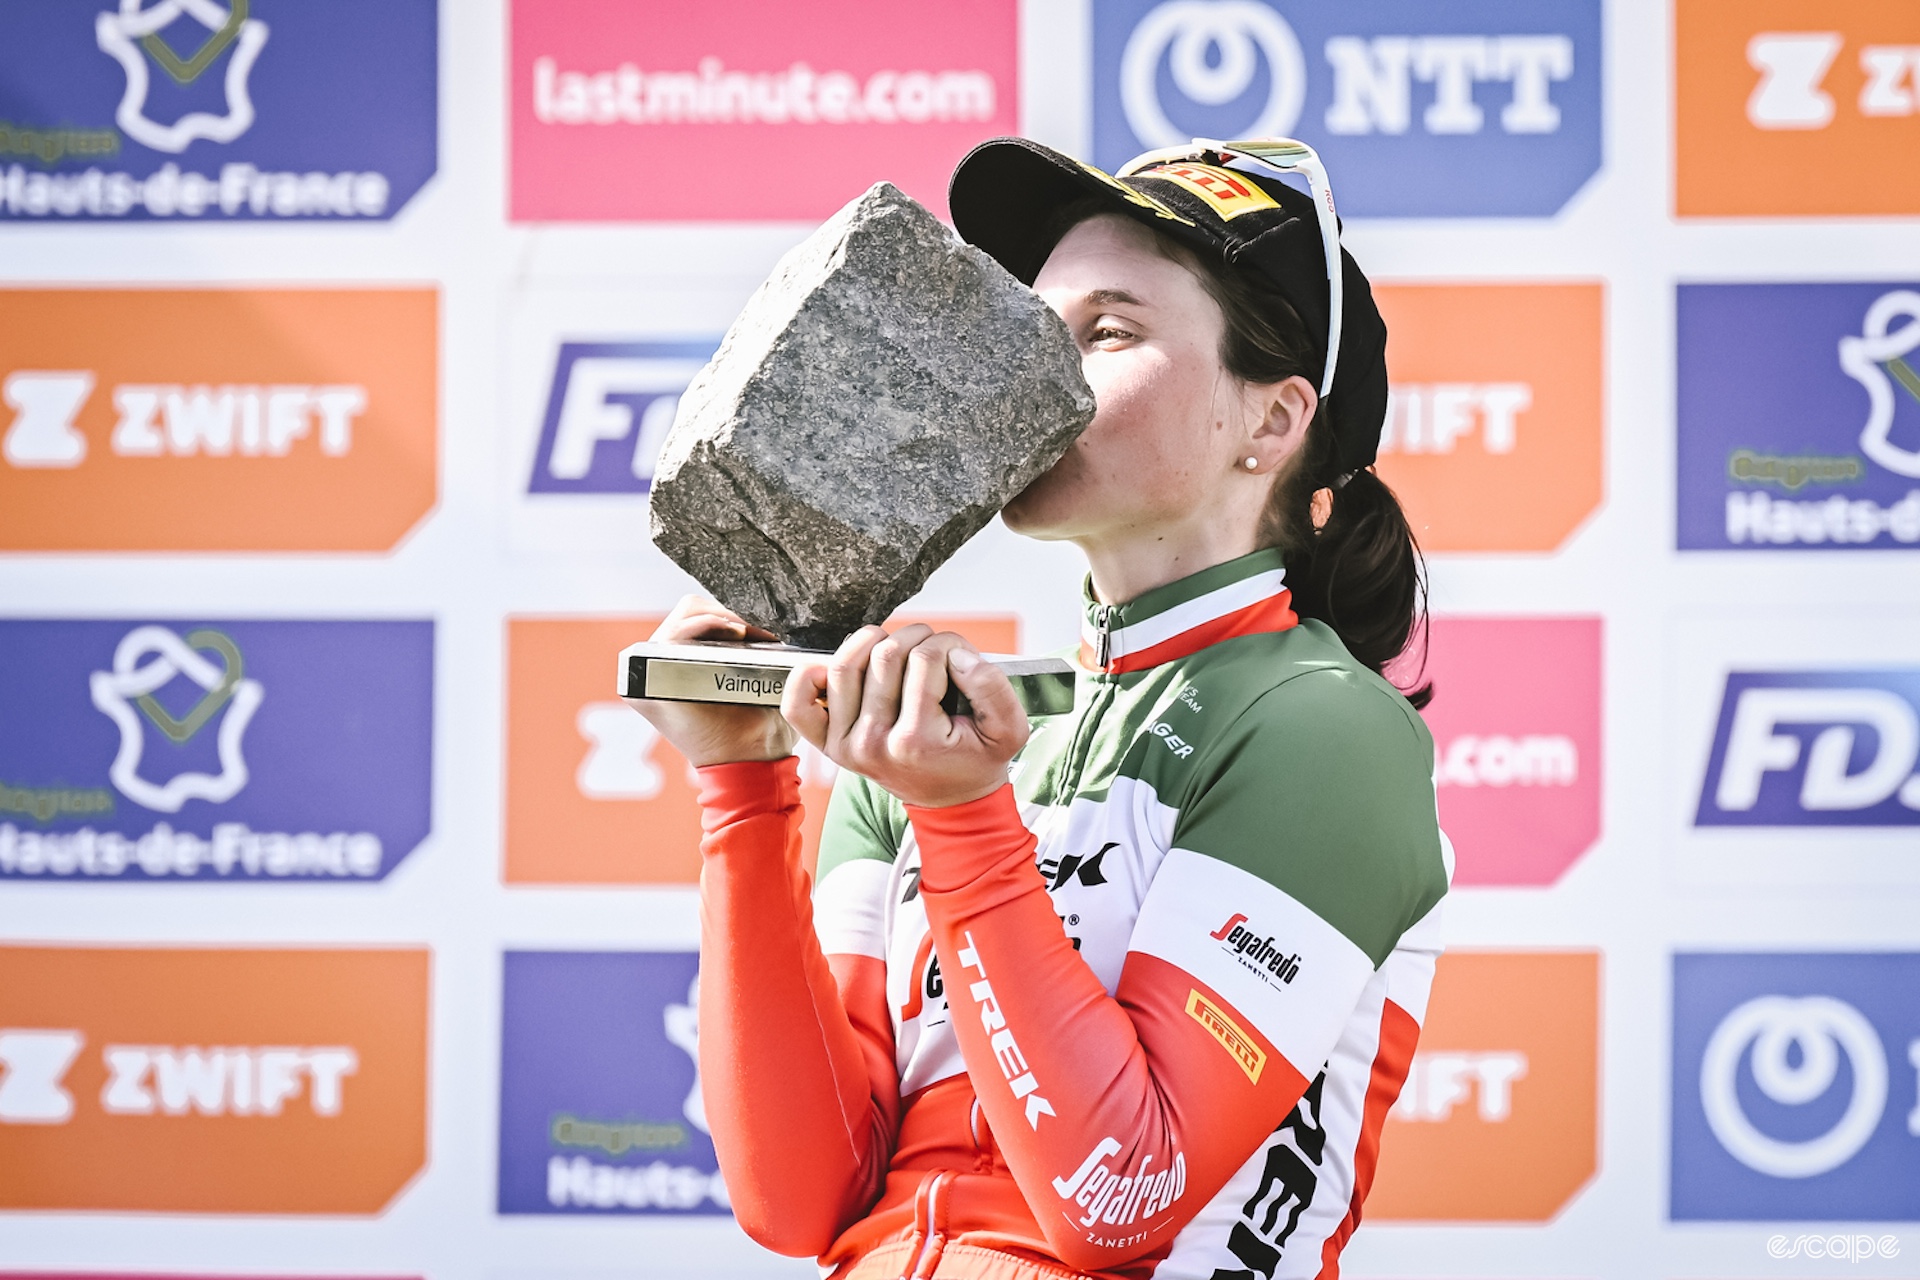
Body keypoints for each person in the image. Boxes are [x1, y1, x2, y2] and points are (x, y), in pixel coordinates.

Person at [633, 136, 1450, 1280]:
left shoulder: (1323, 725)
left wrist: (967, 822)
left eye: (1107, 333)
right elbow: (798, 1194)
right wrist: (742, 786)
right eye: (1024, 332)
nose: (1035, 379)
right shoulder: (938, 728)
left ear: (1271, 422)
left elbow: (1121, 1192)